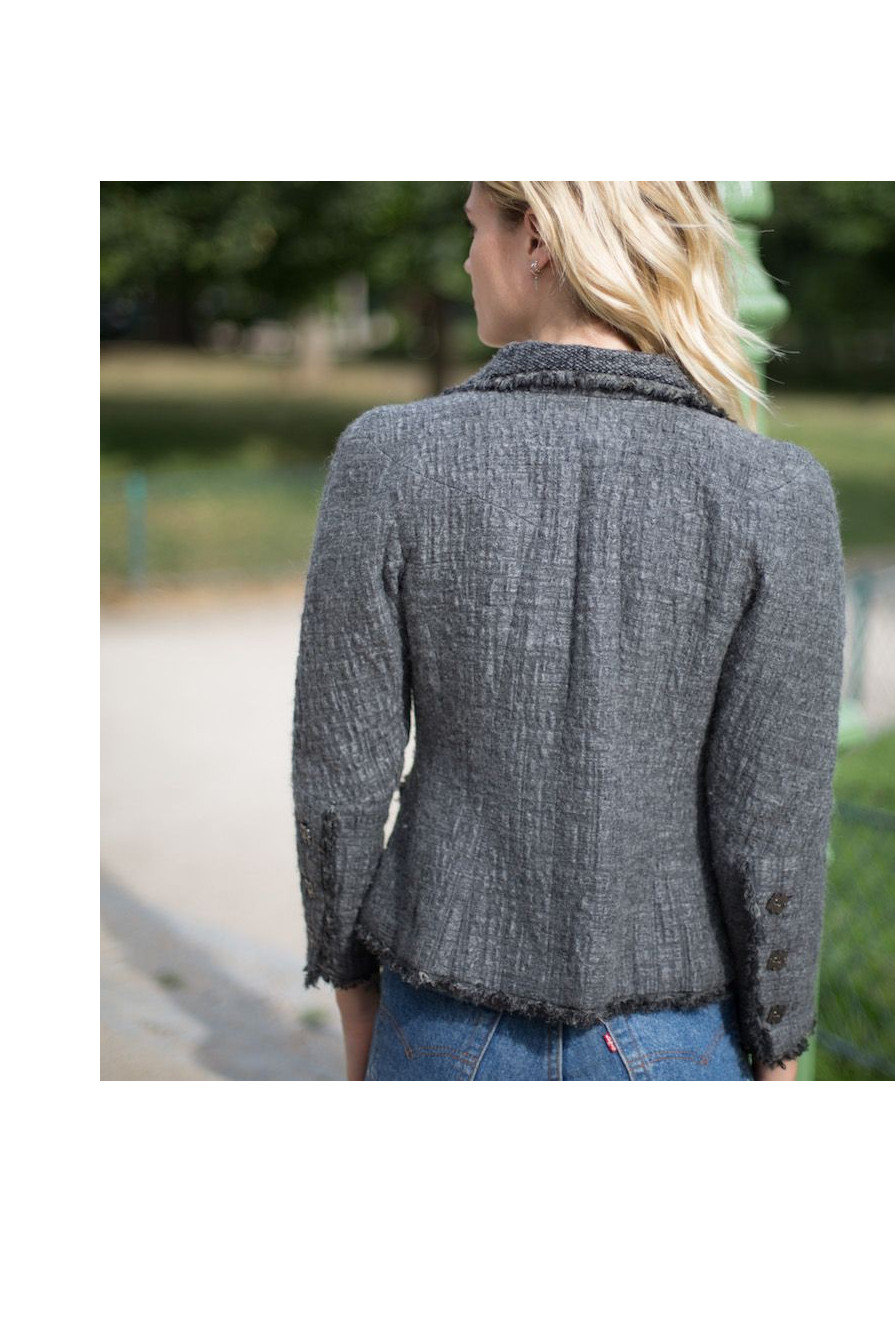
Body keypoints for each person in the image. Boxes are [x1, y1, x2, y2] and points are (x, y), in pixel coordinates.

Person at [291, 181, 847, 1082]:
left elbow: (339, 776)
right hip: (677, 1042)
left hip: (440, 1023)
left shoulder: (390, 459)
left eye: (476, 228)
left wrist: (353, 994)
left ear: (539, 238)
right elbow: (773, 814)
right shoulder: (776, 492)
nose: (467, 258)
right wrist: (778, 1045)